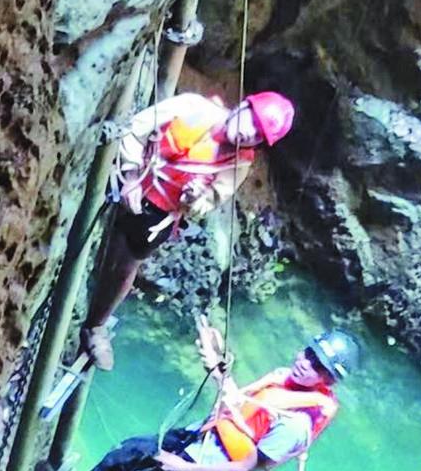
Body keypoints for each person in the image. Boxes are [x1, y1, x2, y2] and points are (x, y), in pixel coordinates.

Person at [18, 323, 359, 471]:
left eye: (317, 366)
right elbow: (238, 403)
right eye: (309, 354)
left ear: (327, 380)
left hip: (205, 463)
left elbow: (245, 467)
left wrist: (187, 470)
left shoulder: (298, 422)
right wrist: (216, 364)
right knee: (127, 452)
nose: (305, 363)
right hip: (201, 435)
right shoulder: (286, 380)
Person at [80, 89, 296, 370]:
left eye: (257, 135)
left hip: (156, 213)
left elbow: (214, 200)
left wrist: (194, 199)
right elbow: (136, 129)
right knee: (93, 243)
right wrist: (131, 174)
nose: (249, 134)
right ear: (243, 106)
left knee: (125, 266)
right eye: (251, 123)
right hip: (124, 177)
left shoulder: (239, 163)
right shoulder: (194, 107)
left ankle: (95, 326)